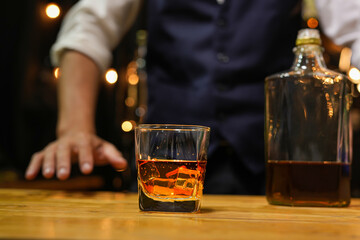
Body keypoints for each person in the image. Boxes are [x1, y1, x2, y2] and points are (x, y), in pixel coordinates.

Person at [25, 0, 360, 194]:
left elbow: (357, 27)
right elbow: (89, 27)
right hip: (163, 170)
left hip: (270, 170)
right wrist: (73, 129)